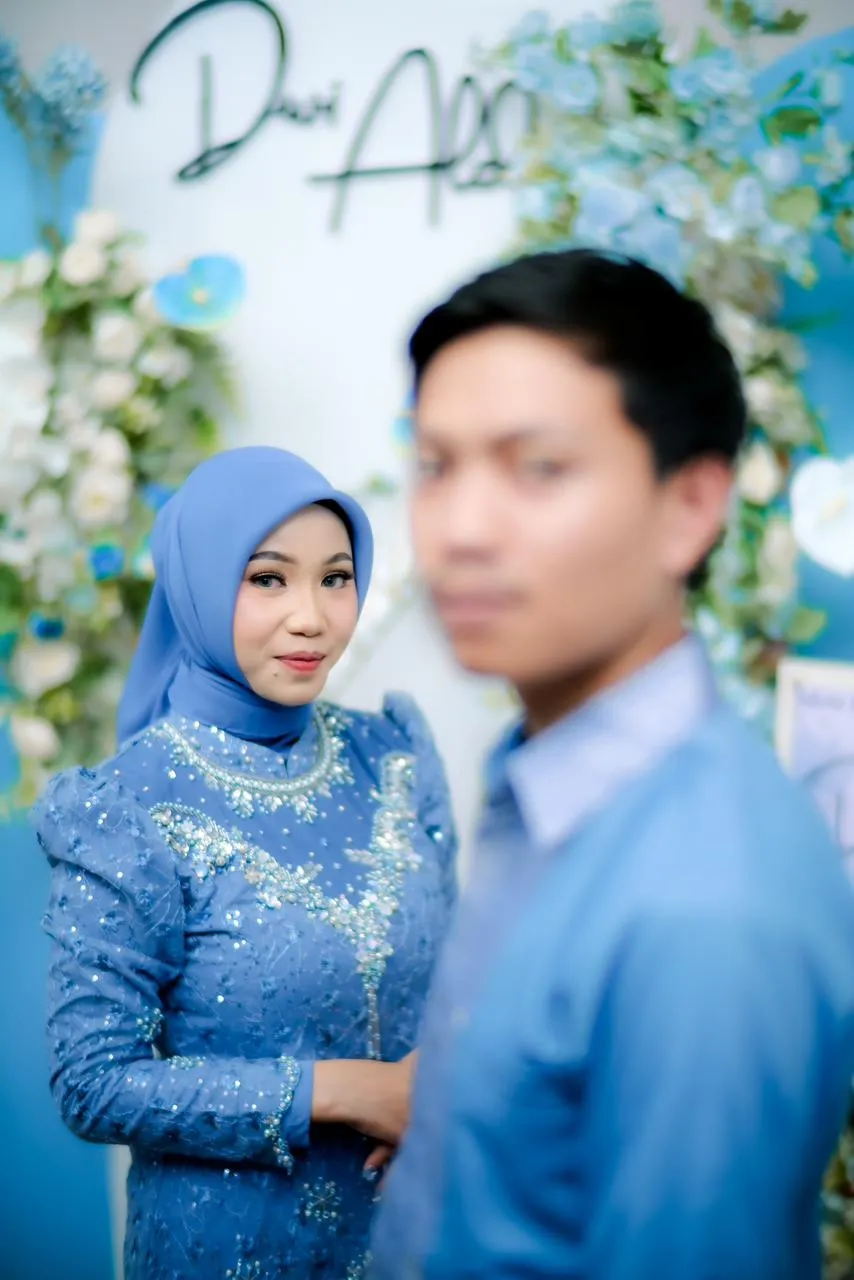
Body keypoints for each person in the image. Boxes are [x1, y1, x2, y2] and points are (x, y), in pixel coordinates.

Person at [370, 249, 854, 1279]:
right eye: (436, 465)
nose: (460, 529)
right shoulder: (549, 783)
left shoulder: (708, 900)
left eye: (538, 467)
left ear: (690, 507)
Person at [34, 446, 457, 1280]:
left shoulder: (394, 757)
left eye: (335, 578)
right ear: (199, 583)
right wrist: (346, 1093)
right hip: (230, 1252)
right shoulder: (126, 806)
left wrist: (449, 1088)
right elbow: (93, 1081)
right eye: (268, 578)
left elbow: (460, 986)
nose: (312, 617)